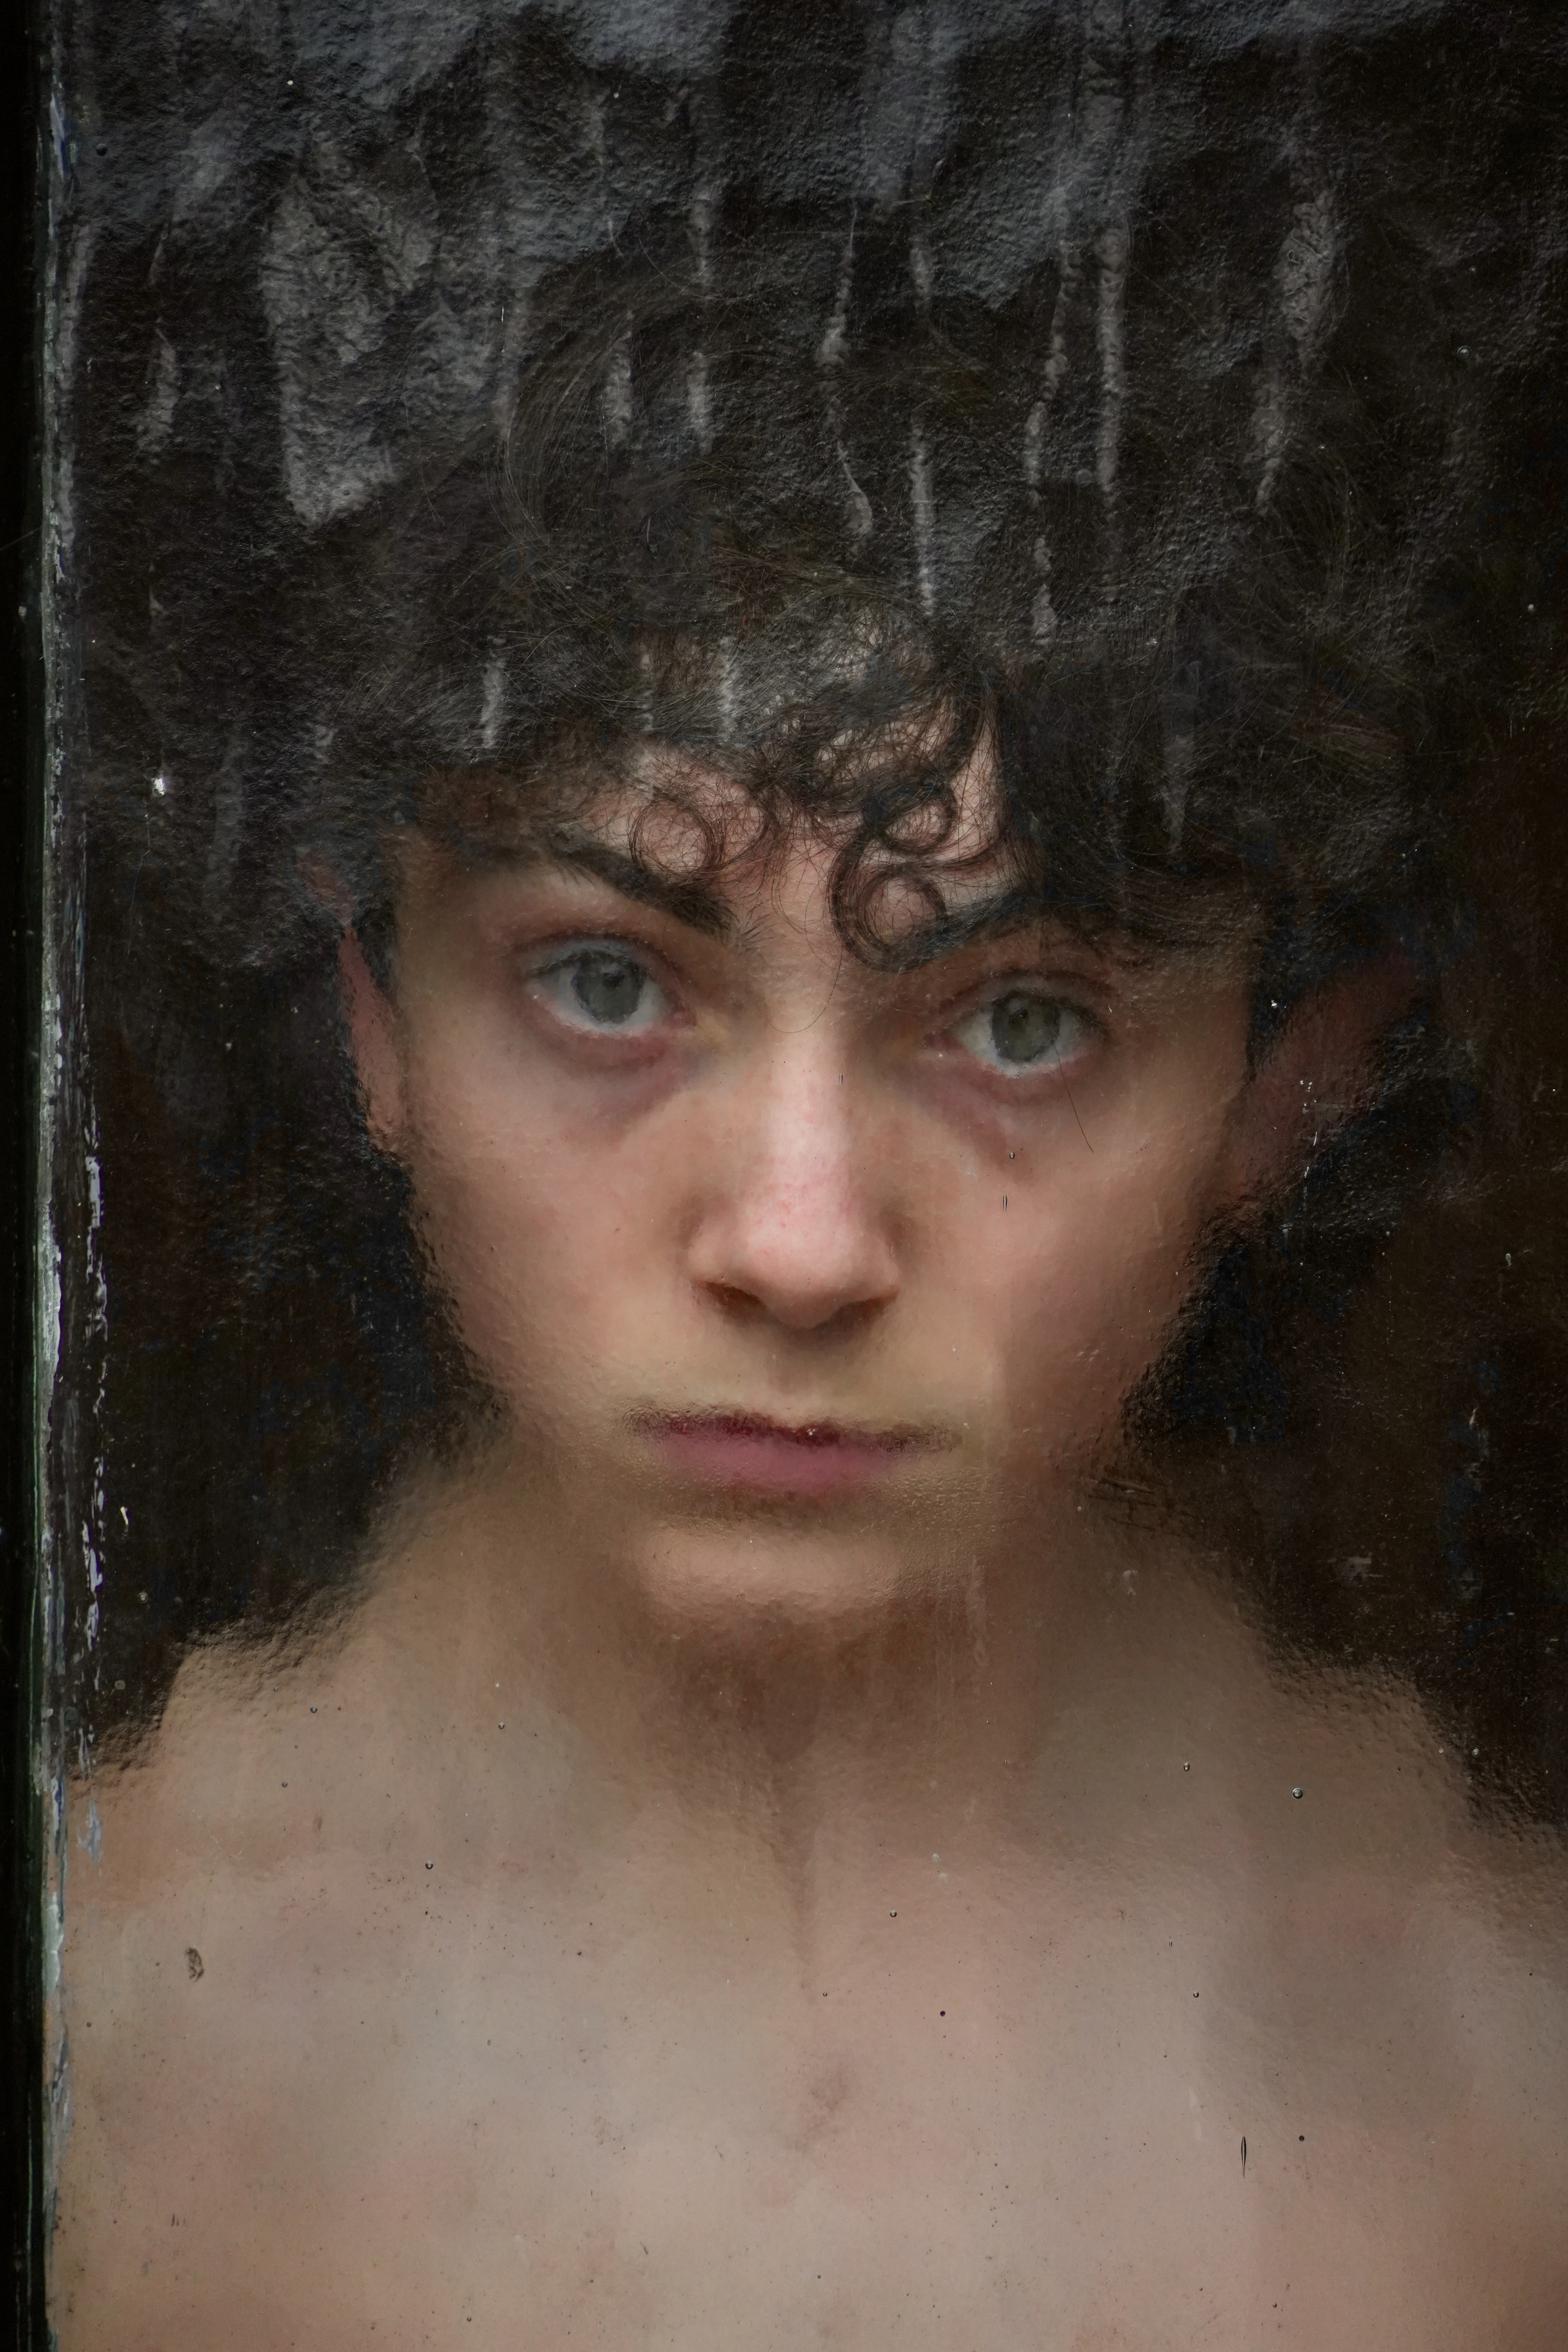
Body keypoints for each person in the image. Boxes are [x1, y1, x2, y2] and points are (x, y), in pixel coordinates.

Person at [52, 197, 1564, 2348]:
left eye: (1020, 1022)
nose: (798, 1242)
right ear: (371, 1002)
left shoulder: (1498, 2057)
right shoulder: (106, 2007)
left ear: (1285, 1079)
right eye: (604, 983)